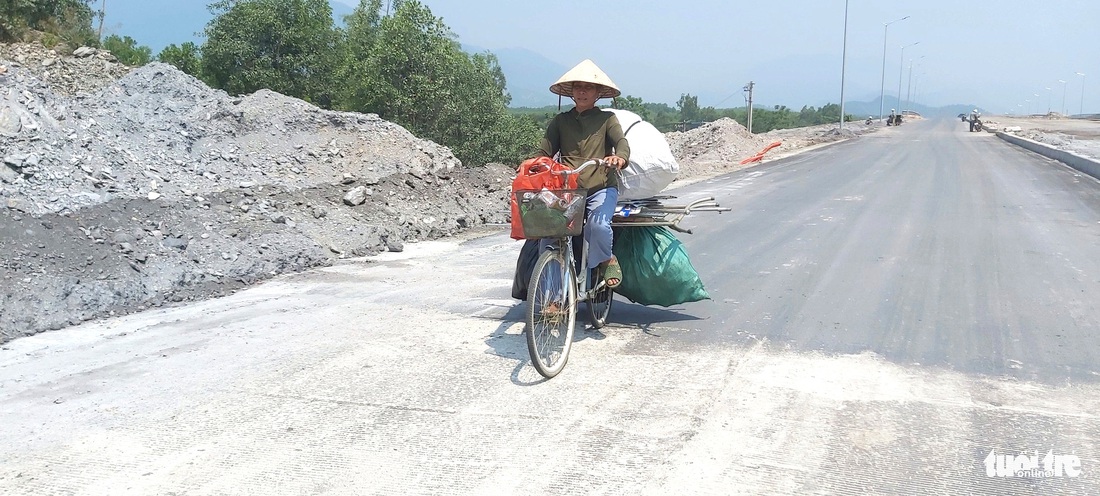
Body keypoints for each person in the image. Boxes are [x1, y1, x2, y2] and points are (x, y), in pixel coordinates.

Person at [536, 59, 630, 289]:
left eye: (588, 87)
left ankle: (606, 258)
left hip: (601, 186)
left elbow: (621, 142)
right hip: (568, 188)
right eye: (578, 87)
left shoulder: (607, 119)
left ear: (598, 93)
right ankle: (554, 298)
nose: (582, 91)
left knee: (597, 227)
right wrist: (533, 164)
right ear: (571, 92)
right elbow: (544, 152)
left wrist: (620, 158)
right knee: (550, 236)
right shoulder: (561, 121)